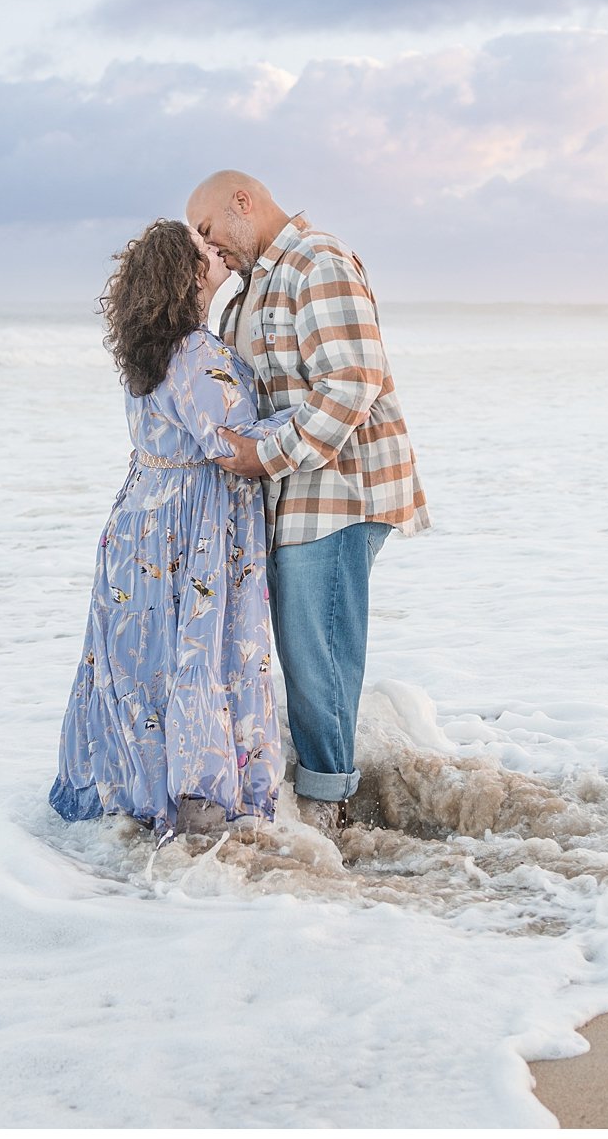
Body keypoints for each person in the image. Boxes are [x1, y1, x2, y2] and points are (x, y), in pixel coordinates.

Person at [184, 171, 430, 836]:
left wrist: (264, 456)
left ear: (243, 202)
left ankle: (328, 816)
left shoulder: (314, 260)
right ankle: (327, 791)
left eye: (208, 232)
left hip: (338, 490)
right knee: (302, 652)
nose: (208, 251)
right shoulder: (248, 289)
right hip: (294, 497)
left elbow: (351, 380)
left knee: (314, 649)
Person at [49, 219, 294, 837]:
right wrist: (319, 415)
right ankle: (202, 805)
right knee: (200, 654)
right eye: (203, 251)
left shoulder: (147, 350)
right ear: (186, 277)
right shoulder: (195, 352)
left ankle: (132, 794)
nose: (215, 252)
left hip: (141, 519)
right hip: (192, 524)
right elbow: (227, 444)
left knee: (140, 661)